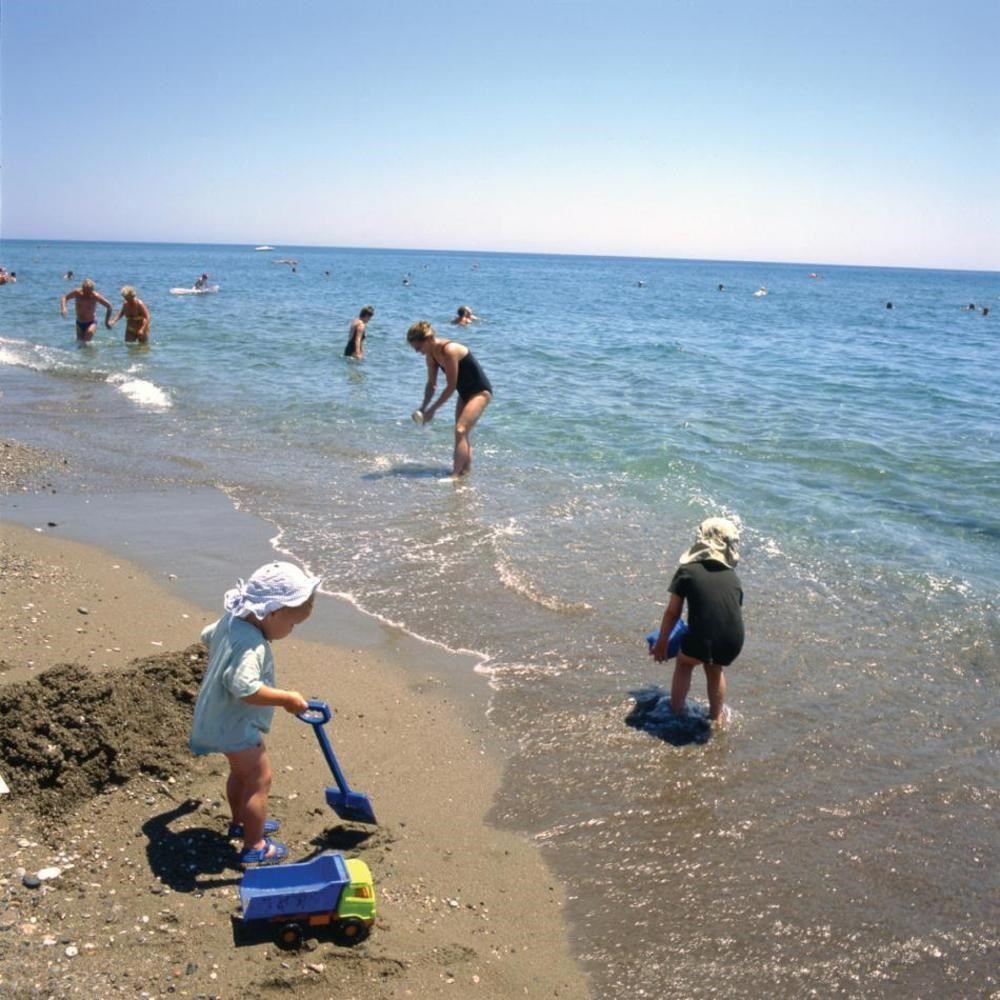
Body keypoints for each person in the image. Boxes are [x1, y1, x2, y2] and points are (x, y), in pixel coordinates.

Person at [188, 561, 321, 867]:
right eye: (292, 624)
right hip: (235, 724)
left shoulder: (233, 619)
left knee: (241, 774)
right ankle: (255, 845)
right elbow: (243, 686)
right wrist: (285, 699)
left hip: (216, 717)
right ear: (272, 613)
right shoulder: (252, 645)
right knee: (260, 778)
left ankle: (240, 822)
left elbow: (208, 634)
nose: (291, 630)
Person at [651, 517, 744, 726]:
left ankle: (676, 712)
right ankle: (716, 717)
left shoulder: (687, 571)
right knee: (714, 668)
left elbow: (672, 613)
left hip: (703, 638)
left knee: (684, 662)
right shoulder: (732, 576)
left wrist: (662, 642)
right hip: (733, 641)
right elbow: (727, 613)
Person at [407, 320, 492, 477]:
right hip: (464, 393)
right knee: (462, 433)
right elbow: (432, 385)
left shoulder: (449, 350)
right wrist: (423, 408)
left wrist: (432, 410)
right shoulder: (431, 356)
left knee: (460, 430)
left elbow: (451, 386)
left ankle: (454, 476)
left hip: (480, 392)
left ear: (427, 340)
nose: (418, 352)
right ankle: (464, 473)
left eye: (418, 347)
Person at [60, 278, 113, 342]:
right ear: (82, 289)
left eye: (89, 291)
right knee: (79, 343)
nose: (87, 294)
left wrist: (106, 322)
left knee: (85, 342)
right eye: (85, 291)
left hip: (91, 322)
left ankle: (91, 351)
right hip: (79, 322)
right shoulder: (77, 293)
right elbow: (64, 298)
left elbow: (109, 306)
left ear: (92, 290)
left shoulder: (95, 296)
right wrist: (63, 308)